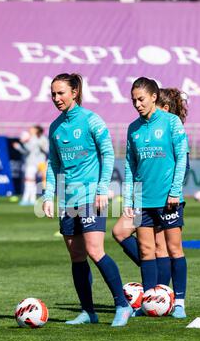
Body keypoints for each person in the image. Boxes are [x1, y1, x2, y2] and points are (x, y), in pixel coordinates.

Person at [42, 73, 132, 327]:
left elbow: (108, 153)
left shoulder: (92, 120)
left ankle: (122, 305)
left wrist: (103, 188)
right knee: (77, 256)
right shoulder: (55, 127)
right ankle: (88, 311)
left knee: (95, 250)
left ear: (74, 92)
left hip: (91, 196)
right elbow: (54, 163)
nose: (56, 98)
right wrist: (49, 195)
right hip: (68, 201)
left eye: (61, 93)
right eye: (53, 94)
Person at [116, 77, 188, 319]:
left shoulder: (172, 122)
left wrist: (175, 191)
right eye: (133, 100)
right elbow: (130, 165)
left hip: (168, 199)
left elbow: (181, 160)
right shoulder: (133, 128)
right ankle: (149, 302)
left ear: (154, 97)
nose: (137, 104)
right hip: (142, 201)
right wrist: (129, 201)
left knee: (174, 249)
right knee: (146, 251)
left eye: (141, 99)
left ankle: (178, 302)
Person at [13, 125, 49, 206]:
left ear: (37, 130)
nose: (30, 129)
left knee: (32, 181)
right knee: (31, 181)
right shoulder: (31, 138)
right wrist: (21, 145)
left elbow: (45, 149)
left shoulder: (42, 138)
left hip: (38, 163)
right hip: (31, 162)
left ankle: (28, 199)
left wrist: (23, 143)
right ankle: (30, 199)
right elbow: (27, 151)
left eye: (32, 128)